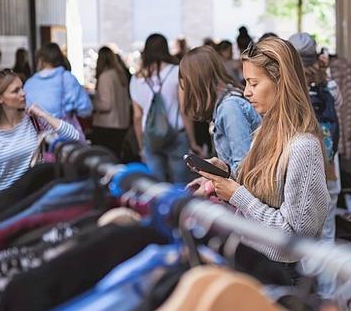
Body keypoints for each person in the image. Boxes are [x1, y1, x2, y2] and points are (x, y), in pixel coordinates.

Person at [198, 36, 330, 272]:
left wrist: (237, 194)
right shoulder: (265, 131)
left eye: (253, 83)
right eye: (246, 82)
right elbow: (264, 191)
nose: (246, 92)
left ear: (281, 83)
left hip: (284, 278)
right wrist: (226, 173)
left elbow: (294, 238)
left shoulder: (303, 147)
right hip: (255, 263)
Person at [0, 70, 81, 202]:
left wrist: (43, 115)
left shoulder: (33, 119)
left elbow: (74, 137)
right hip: (6, 205)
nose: (23, 93)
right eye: (15, 91)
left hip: (38, 199)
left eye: (22, 88)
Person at [179, 46, 260, 194]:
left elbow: (245, 169)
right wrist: (208, 179)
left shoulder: (230, 108)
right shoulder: (226, 104)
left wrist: (208, 187)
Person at [288, 32, 341, 243]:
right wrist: (324, 70)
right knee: (327, 228)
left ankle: (306, 275)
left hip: (298, 164)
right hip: (328, 164)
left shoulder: (288, 88)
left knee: (302, 228)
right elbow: (338, 107)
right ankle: (326, 276)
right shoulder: (328, 86)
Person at [129, 33, 196, 183]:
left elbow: (137, 116)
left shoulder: (136, 79)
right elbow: (184, 109)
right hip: (177, 135)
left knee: (156, 187)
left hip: (150, 137)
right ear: (165, 49)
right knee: (181, 185)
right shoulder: (176, 71)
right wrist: (192, 141)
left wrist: (141, 146)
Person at [24, 43, 92, 136]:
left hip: (37, 138)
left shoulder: (29, 82)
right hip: (64, 137)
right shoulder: (67, 78)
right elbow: (85, 110)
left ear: (41, 60)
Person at [92, 47, 131, 160]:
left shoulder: (105, 76)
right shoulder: (120, 74)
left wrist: (92, 104)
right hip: (122, 124)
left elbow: (106, 104)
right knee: (117, 157)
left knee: (106, 159)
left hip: (107, 125)